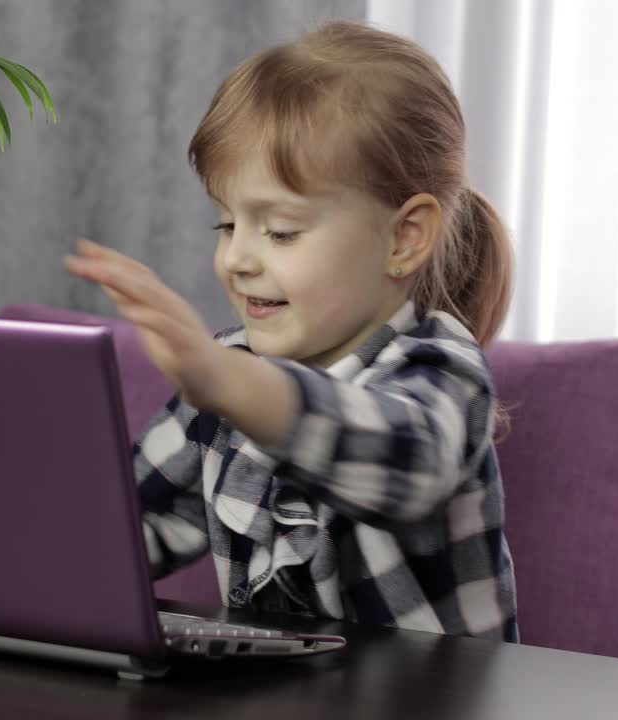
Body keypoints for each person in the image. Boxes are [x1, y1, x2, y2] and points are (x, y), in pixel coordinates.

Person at [64, 20, 517, 641]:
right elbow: (123, 536)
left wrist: (230, 384)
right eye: (226, 225)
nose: (238, 259)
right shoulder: (227, 373)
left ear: (404, 236)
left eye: (279, 231)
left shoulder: (443, 369)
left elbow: (407, 466)